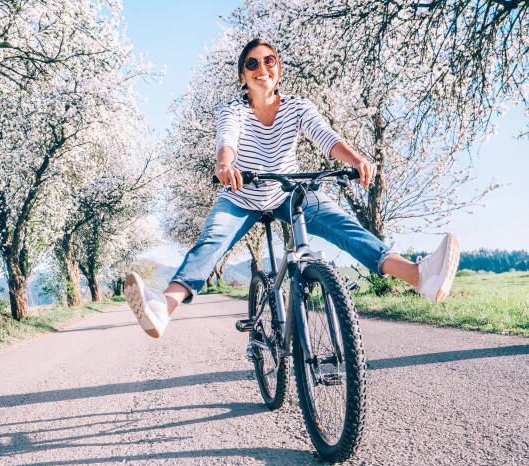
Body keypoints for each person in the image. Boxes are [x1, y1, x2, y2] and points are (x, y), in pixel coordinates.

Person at [124, 39, 460, 338]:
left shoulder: (298, 106)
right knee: (211, 241)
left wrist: (356, 160)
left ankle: (419, 276)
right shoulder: (235, 110)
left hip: (288, 192)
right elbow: (227, 142)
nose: (261, 67)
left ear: (278, 70)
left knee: (344, 227)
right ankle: (163, 308)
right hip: (242, 195)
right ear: (243, 76)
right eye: (252, 63)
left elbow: (325, 136)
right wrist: (225, 166)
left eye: (269, 60)